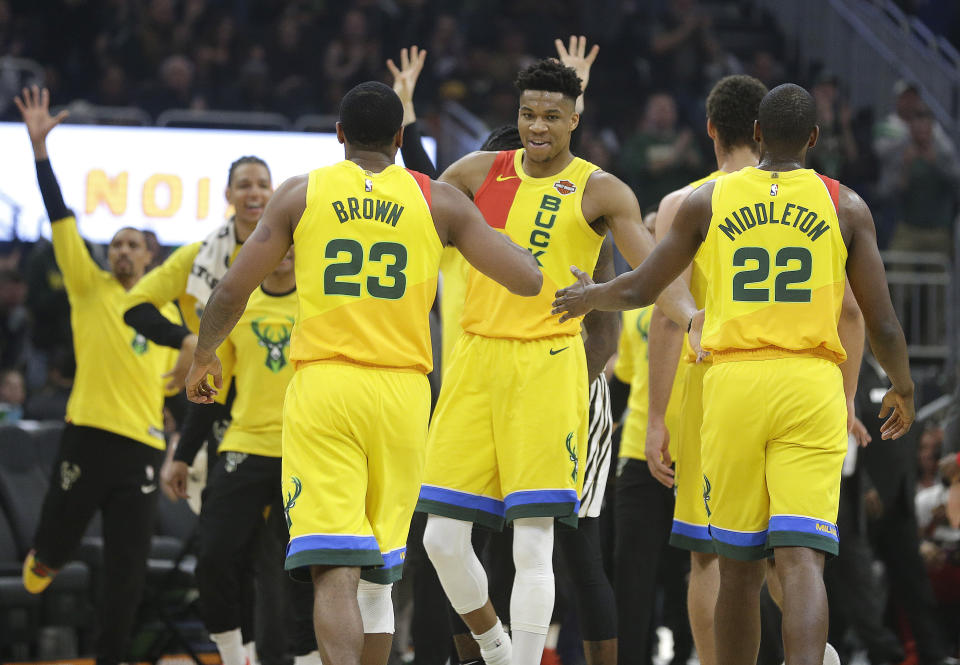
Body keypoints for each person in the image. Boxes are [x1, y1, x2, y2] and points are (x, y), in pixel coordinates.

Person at [553, 83, 915, 665]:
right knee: (800, 562)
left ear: (757, 135)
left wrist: (591, 294)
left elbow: (646, 286)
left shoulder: (708, 200)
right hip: (810, 383)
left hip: (733, 383)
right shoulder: (845, 205)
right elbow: (881, 322)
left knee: (738, 568)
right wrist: (901, 385)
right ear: (815, 139)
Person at [184, 80, 542, 665]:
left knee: (334, 571)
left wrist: (204, 359)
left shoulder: (302, 193)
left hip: (326, 387)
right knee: (381, 577)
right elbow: (526, 280)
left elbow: (231, 290)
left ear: (340, 135)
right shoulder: (439, 201)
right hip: (403, 395)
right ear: (402, 138)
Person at [417, 55, 696, 665]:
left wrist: (688, 314)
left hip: (547, 365)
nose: (536, 126)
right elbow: (412, 208)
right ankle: (495, 647)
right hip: (473, 362)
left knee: (535, 543)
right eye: (526, 114)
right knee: (440, 538)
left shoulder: (602, 189)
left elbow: (654, 270)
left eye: (549, 115)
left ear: (575, 118)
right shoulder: (477, 170)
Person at [15, 85, 181, 665]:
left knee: (127, 571)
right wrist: (40, 151)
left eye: (133, 245)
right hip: (86, 432)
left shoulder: (170, 315)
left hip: (140, 446)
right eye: (115, 245)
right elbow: (61, 215)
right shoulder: (89, 289)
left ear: (152, 257)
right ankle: (46, 558)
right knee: (53, 544)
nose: (121, 252)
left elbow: (176, 384)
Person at [161, 247, 319, 665]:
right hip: (243, 445)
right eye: (276, 239)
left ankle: (309, 658)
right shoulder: (239, 305)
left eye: (291, 241)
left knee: (307, 569)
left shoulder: (319, 301)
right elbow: (210, 390)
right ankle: (236, 658)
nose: (282, 250)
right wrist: (183, 455)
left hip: (303, 450)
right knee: (213, 558)